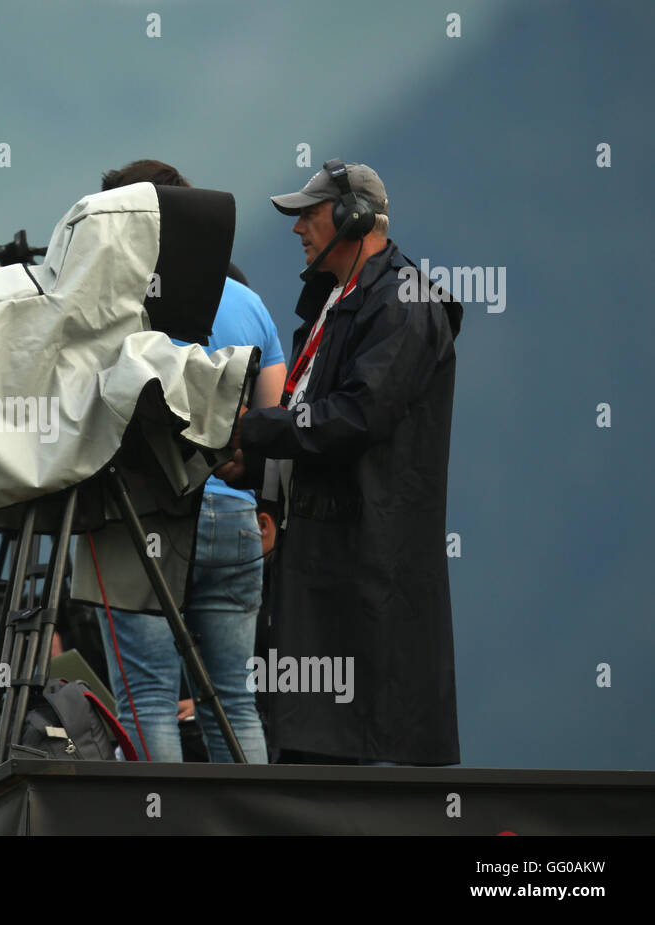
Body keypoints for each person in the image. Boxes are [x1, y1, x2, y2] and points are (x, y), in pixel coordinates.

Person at [219, 160, 461, 766]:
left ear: (354, 217)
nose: (298, 227)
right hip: (319, 567)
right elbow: (314, 416)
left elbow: (360, 415)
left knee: (348, 759)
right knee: (305, 749)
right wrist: (255, 468)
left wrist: (253, 428)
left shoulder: (404, 300)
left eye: (310, 212)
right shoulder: (335, 301)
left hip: (362, 566)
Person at [95, 159, 286, 763]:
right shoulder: (249, 302)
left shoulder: (116, 297)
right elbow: (271, 417)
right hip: (233, 517)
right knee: (234, 701)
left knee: (147, 699)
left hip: (142, 518)